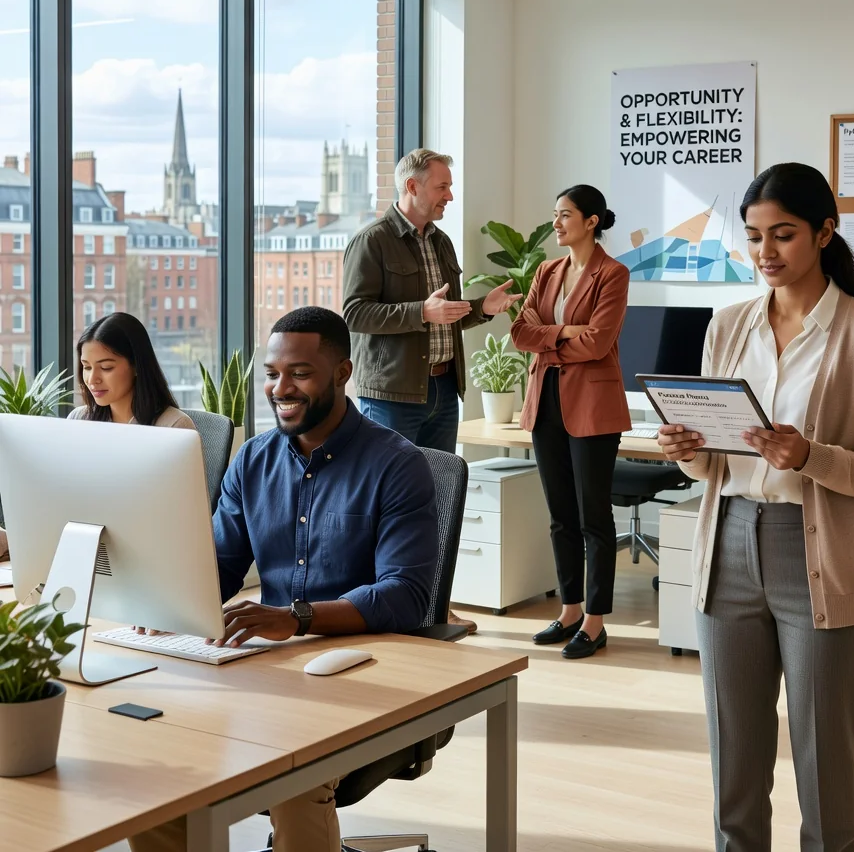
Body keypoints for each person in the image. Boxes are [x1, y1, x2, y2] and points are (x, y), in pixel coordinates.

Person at [657, 163, 854, 852]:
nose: (766, 251)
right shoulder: (727, 324)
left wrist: (810, 456)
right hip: (730, 543)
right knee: (733, 760)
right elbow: (711, 464)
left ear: (825, 233)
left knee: (824, 764)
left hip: (820, 557)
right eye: (754, 236)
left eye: (784, 235)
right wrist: (685, 446)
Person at [129, 307, 438, 852]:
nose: (280, 388)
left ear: (342, 373)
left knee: (291, 777)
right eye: (271, 373)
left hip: (370, 679)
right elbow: (218, 566)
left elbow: (407, 597)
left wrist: (296, 619)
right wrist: (161, 596)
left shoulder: (397, 464)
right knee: (155, 766)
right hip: (264, 675)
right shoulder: (251, 461)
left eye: (299, 373)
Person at [342, 147, 519, 634]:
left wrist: (484, 306)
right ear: (413, 187)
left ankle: (433, 603)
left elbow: (449, 312)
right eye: (442, 186)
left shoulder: (440, 243)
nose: (450, 195)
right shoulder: (371, 241)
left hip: (442, 391)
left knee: (436, 500)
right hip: (393, 397)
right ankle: (380, 604)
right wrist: (420, 312)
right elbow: (355, 313)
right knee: (390, 504)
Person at [509, 184, 629, 660]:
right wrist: (564, 333)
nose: (556, 223)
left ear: (591, 221)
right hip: (546, 401)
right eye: (555, 214)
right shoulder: (547, 270)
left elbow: (598, 344)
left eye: (564, 215)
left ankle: (596, 622)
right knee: (561, 518)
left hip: (593, 407)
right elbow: (521, 332)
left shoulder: (612, 274)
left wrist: (549, 338)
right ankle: (570, 609)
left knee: (593, 517)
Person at [70, 312, 196, 429]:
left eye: (106, 368)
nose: (92, 380)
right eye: (87, 367)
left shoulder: (174, 426)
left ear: (136, 366)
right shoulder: (78, 419)